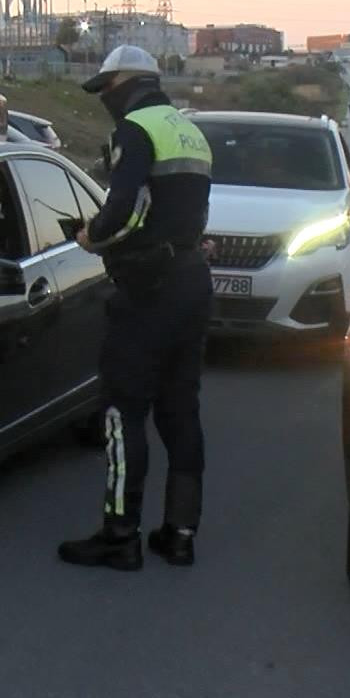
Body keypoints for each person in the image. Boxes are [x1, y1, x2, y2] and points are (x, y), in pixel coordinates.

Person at [61, 44, 213, 571]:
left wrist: (92, 236)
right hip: (192, 280)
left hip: (148, 287)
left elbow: (123, 207)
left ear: (126, 84)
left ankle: (120, 535)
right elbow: (191, 211)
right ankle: (180, 534)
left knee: (122, 409)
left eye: (105, 88)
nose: (103, 98)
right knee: (180, 410)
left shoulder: (135, 129)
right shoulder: (188, 130)